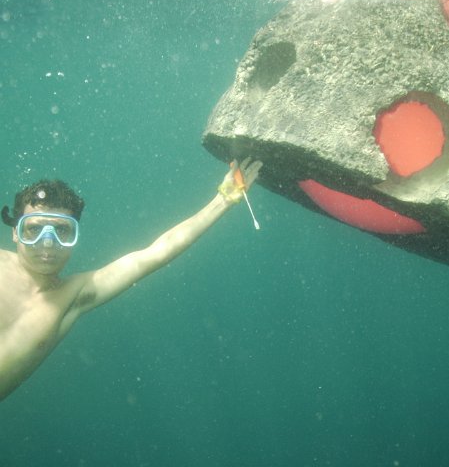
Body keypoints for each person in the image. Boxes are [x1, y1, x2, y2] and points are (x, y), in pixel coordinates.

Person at [0, 158, 262, 401]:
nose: (47, 242)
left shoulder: (75, 295)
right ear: (15, 232)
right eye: (33, 229)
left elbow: (153, 254)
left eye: (61, 231)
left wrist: (224, 199)